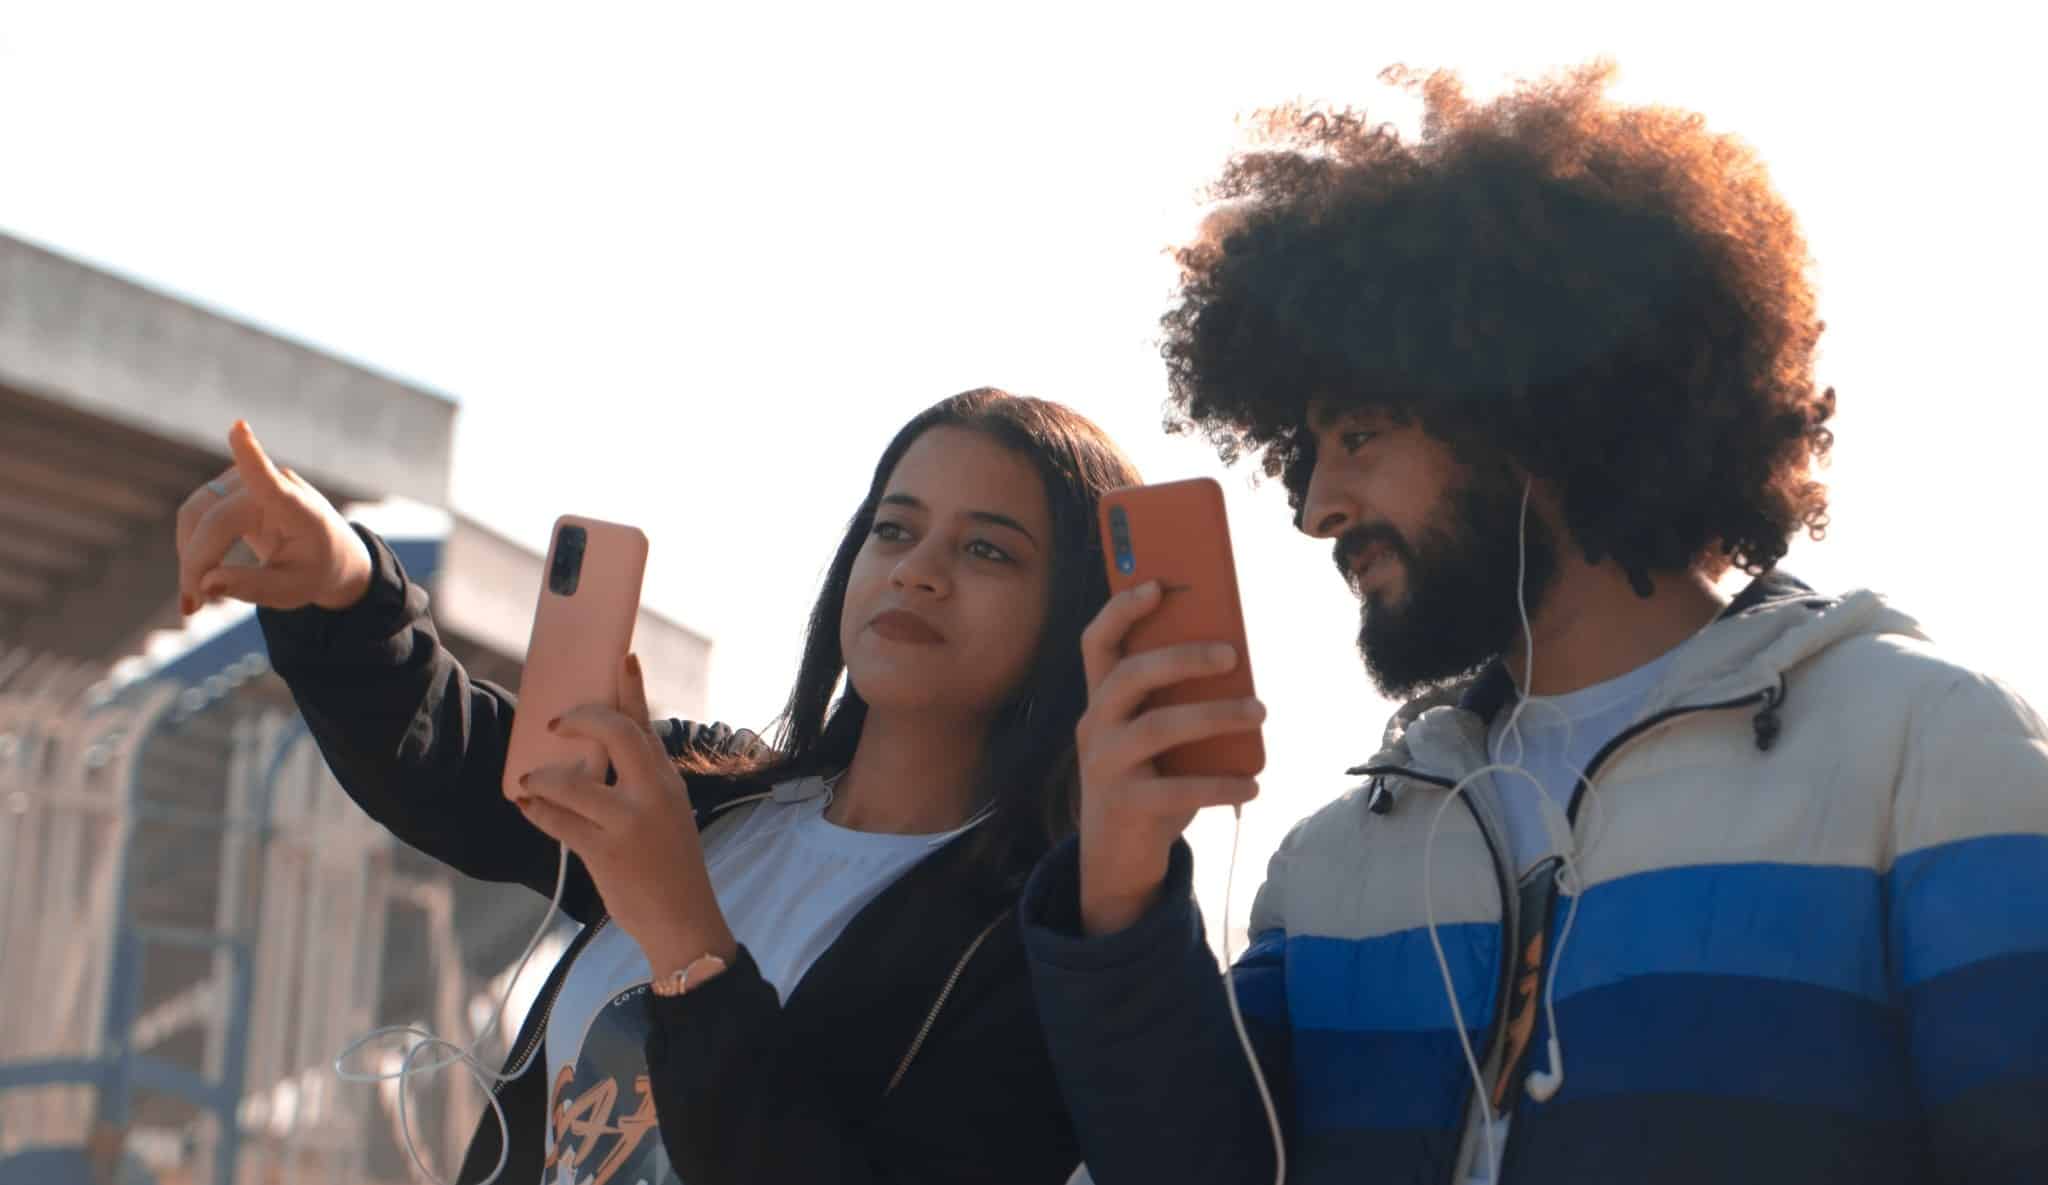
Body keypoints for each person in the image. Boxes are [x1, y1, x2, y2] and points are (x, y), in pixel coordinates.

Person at [1020, 64, 2048, 1185]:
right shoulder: (1331, 864)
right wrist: (1119, 893)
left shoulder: (1926, 746)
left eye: (1358, 438)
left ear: (1527, 412)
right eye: (1305, 456)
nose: (1316, 510)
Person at [173, 388, 1142, 1184]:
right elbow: (456, 764)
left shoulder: (1043, 944)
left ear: (1077, 616)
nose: (918, 571)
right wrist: (345, 586)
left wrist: (687, 942)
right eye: (894, 529)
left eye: (987, 549)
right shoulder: (717, 797)